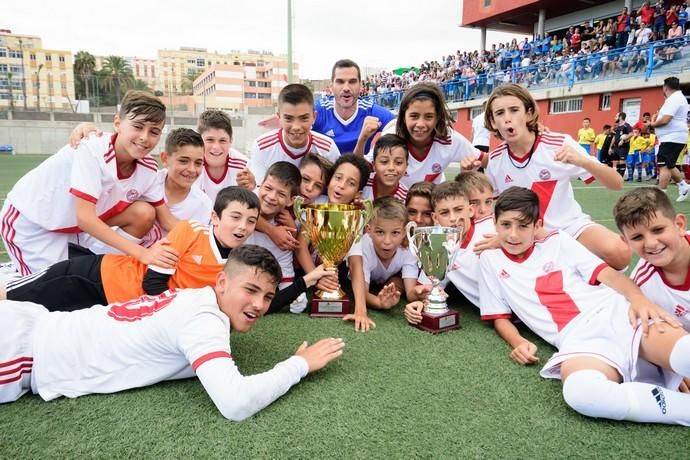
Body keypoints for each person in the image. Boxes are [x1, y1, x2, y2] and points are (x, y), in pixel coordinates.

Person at [0, 244, 346, 422]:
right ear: (222, 282)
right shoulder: (204, 321)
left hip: (29, 324)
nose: (259, 304)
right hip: (23, 352)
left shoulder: (198, 299)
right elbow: (236, 403)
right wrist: (300, 365)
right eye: (251, 290)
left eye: (268, 296)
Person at [478, 186, 690, 425]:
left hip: (615, 313)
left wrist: (638, 299)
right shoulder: (488, 261)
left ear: (537, 226)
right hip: (578, 340)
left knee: (685, 355)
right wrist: (518, 342)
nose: (513, 235)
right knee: (582, 394)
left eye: (523, 226)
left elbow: (609, 276)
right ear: (494, 224)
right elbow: (499, 316)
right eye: (505, 225)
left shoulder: (559, 241)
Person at [0, 90, 178, 276]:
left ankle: (101, 269)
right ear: (118, 123)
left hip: (74, 226)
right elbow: (84, 218)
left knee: (144, 212)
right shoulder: (93, 148)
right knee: (47, 294)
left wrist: (205, 236)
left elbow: (166, 220)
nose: (145, 137)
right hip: (32, 223)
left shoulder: (148, 167)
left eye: (154, 132)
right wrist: (143, 254)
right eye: (138, 126)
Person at [2, 187, 259, 309]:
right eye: (235, 217)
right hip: (98, 278)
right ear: (215, 217)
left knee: (33, 318)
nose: (242, 226)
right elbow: (152, 285)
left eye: (250, 221)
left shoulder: (237, 263)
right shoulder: (191, 231)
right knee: (14, 297)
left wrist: (302, 280)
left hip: (111, 308)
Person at [483, 83, 631, 270]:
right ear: (493, 121)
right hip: (524, 233)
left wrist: (582, 161)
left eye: (514, 110)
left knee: (619, 251)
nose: (507, 119)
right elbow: (493, 208)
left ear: (528, 114)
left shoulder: (558, 143)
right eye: (500, 113)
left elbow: (617, 183)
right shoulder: (496, 160)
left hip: (569, 227)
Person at [75, 127, 212, 254]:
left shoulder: (203, 205)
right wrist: (85, 128)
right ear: (164, 158)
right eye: (183, 161)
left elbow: (195, 245)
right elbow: (120, 137)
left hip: (159, 266)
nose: (191, 169)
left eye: (198, 163)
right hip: (111, 251)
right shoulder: (146, 179)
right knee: (143, 212)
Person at [250, 84, 340, 254]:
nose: (297, 127)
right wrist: (271, 230)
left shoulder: (328, 148)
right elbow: (254, 201)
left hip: (310, 227)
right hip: (270, 222)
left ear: (314, 117)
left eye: (304, 118)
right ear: (278, 118)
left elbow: (334, 196)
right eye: (289, 118)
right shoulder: (262, 147)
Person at [403, 181, 495, 324]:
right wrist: (419, 301)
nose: (453, 218)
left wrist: (504, 240)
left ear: (470, 210)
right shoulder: (436, 246)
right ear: (435, 218)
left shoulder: (493, 227)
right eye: (445, 213)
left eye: (458, 210)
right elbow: (421, 289)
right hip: (500, 316)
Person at [379, 83, 483, 188]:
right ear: (403, 117)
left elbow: (486, 160)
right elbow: (367, 167)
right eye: (414, 116)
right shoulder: (390, 138)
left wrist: (468, 170)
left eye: (429, 117)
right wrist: (362, 141)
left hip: (432, 200)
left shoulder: (449, 138)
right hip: (397, 202)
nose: (420, 124)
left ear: (437, 118)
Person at [616, 187, 690, 331]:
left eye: (658, 230)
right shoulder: (642, 287)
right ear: (626, 242)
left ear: (679, 225)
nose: (651, 243)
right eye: (637, 237)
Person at [245, 162, 304, 311]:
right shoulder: (240, 205)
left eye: (281, 194)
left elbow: (286, 279)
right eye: (268, 188)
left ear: (291, 200)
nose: (271, 197)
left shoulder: (284, 234)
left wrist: (295, 296)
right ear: (260, 185)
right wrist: (271, 230)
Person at [348, 197, 418, 320]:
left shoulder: (410, 249)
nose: (387, 241)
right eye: (380, 232)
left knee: (397, 280)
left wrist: (422, 293)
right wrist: (378, 302)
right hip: (346, 277)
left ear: (405, 231)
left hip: (383, 281)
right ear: (369, 230)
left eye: (395, 233)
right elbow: (362, 292)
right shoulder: (363, 247)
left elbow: (411, 292)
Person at [312, 59, 396, 155]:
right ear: (331, 86)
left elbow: (401, 127)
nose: (346, 88)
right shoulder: (318, 111)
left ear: (360, 86)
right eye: (340, 82)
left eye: (352, 82)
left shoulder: (372, 112)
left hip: (361, 169)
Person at [194, 110, 255, 203]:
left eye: (222, 140)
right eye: (210, 140)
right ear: (199, 140)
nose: (216, 147)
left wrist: (252, 189)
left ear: (231, 141)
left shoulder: (243, 166)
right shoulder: (191, 164)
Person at [649, 77, 690, 200]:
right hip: (672, 137)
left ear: (665, 87)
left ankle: (661, 195)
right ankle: (684, 186)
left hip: (672, 137)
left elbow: (666, 119)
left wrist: (652, 123)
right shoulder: (676, 98)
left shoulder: (674, 99)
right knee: (669, 165)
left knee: (664, 166)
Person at [361, 134, 409, 202]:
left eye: (398, 162)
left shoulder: (406, 200)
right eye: (384, 161)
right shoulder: (362, 185)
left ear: (406, 167)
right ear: (374, 165)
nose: (391, 168)